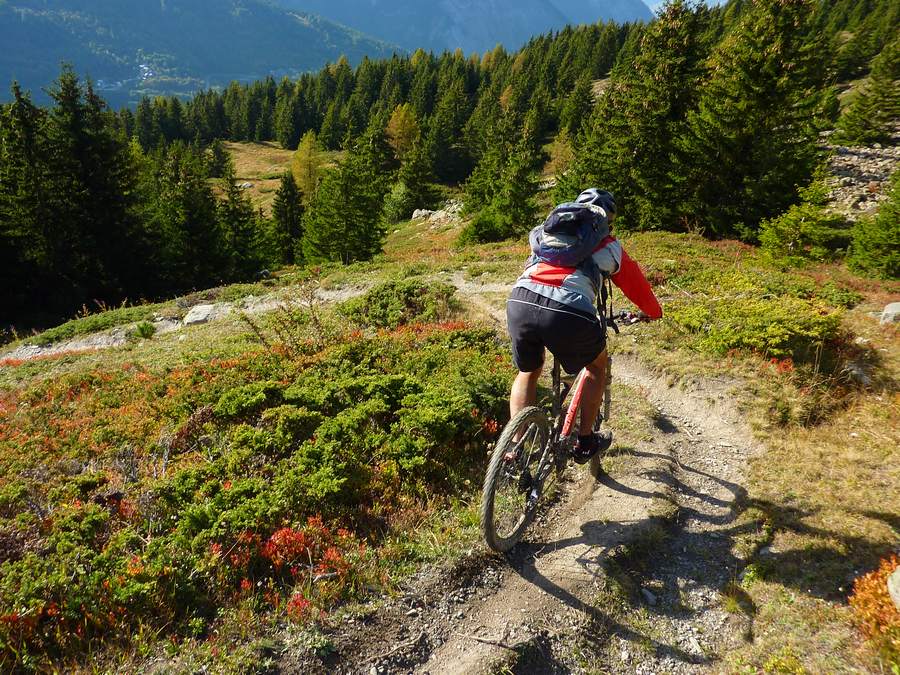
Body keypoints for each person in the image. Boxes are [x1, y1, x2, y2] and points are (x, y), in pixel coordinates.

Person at [506, 189, 663, 464]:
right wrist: (653, 312)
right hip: (568, 311)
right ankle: (585, 440)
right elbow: (636, 286)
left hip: (520, 299)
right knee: (595, 367)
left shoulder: (547, 234)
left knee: (528, 372)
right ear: (606, 221)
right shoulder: (608, 245)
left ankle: (516, 447)